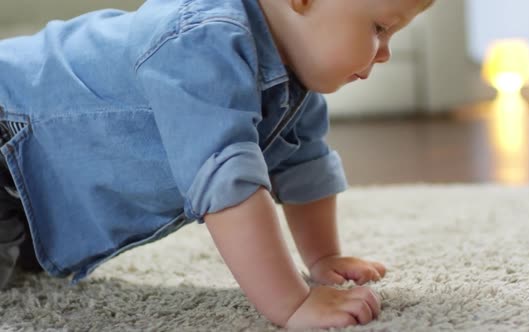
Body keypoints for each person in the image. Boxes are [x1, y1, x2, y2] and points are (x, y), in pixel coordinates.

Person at [0, 0, 433, 328]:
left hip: (47, 183)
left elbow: (305, 164)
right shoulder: (202, 41)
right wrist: (293, 303)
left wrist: (323, 258)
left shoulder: (294, 80)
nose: (384, 54)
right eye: (380, 27)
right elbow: (228, 182)